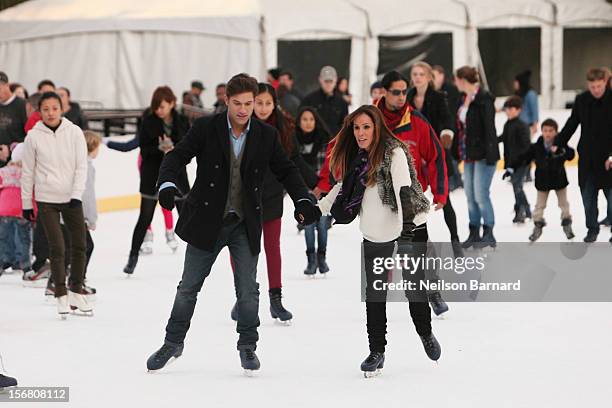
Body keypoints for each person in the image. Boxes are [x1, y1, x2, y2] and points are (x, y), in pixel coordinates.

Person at [145, 73, 319, 374]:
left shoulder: (266, 135)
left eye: (248, 103)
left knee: (248, 291)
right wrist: (166, 185)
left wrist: (303, 198)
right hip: (207, 222)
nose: (243, 109)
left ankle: (247, 345)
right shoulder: (206, 128)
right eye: (237, 103)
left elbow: (287, 170)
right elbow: (177, 157)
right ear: (226, 101)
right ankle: (173, 342)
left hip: (244, 222)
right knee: (188, 287)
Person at [316, 105, 441, 376]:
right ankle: (377, 351)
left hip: (409, 225)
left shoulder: (393, 153)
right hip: (375, 231)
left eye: (366, 127)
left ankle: (425, 332)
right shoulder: (356, 158)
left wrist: (406, 232)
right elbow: (341, 188)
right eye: (357, 128)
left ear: (377, 128)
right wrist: (316, 209)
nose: (361, 133)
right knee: (375, 294)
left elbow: (404, 191)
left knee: (414, 288)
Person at [229, 83, 317, 324]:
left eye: (268, 103)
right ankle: (243, 296)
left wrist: (314, 181)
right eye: (259, 103)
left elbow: (294, 160)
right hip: (243, 198)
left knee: (272, 247)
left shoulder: (285, 127)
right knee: (241, 248)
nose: (264, 108)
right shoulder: (239, 127)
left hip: (270, 196)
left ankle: (275, 300)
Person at [375, 70, 449, 316]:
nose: (400, 96)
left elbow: (435, 155)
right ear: (384, 92)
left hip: (412, 199)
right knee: (382, 249)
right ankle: (379, 298)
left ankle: (433, 292)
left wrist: (440, 192)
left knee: (421, 249)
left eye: (404, 91)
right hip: (381, 198)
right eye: (395, 92)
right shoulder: (370, 121)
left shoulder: (416, 121)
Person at [21, 92, 93, 318]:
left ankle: (76, 290)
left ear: (61, 109)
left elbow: (82, 166)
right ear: (39, 112)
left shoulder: (73, 133)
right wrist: (26, 203)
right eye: (45, 109)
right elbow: (27, 172)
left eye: (54, 108)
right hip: (46, 199)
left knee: (80, 245)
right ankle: (60, 295)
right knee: (58, 248)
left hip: (72, 198)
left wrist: (76, 194)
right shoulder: (33, 137)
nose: (50, 113)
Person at [122, 86, 190, 275]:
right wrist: (159, 148)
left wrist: (174, 148)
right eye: (156, 107)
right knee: (145, 218)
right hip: (153, 175)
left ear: (172, 103)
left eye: (162, 106)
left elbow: (190, 147)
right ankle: (133, 256)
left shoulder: (182, 121)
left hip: (177, 175)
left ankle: (199, 256)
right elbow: (143, 149)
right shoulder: (148, 121)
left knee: (187, 216)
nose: (159, 111)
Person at [407, 61, 462, 257]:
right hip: (414, 158)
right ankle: (424, 243)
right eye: (415, 74)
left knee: (445, 200)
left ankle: (455, 241)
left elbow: (448, 120)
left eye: (422, 74)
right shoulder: (407, 99)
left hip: (437, 154)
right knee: (416, 203)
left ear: (429, 77)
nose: (418, 77)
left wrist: (446, 135)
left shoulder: (438, 97)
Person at [555, 67, 612, 243]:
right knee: (588, 198)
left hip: (609, 160)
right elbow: (572, 124)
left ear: (605, 82)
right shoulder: (582, 100)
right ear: (588, 85)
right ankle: (592, 229)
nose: (596, 90)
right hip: (587, 159)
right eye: (593, 87)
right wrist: (558, 143)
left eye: (599, 86)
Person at [104, 127, 177, 255]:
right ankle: (149, 237)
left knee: (165, 201)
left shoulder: (169, 131)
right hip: (147, 173)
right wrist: (107, 142)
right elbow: (127, 146)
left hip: (163, 170)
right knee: (147, 209)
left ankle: (170, 234)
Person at [454, 66, 500, 249]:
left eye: (456, 80)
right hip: (469, 154)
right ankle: (474, 231)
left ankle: (488, 232)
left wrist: (490, 155)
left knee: (481, 194)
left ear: (463, 80)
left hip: (483, 155)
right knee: (470, 195)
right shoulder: (464, 98)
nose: (455, 83)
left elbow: (490, 128)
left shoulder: (484, 98)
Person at [294, 107, 332, 275]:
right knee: (308, 224)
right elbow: (293, 168)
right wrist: (306, 188)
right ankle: (311, 260)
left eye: (311, 119)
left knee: (323, 225)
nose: (308, 123)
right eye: (304, 119)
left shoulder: (324, 140)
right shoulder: (294, 141)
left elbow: (329, 166)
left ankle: (322, 258)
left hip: (323, 189)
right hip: (304, 190)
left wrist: (321, 187)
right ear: (299, 122)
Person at [523, 119, 575, 241]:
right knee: (539, 206)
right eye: (545, 130)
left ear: (556, 132)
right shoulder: (537, 147)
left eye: (551, 131)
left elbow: (571, 155)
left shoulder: (561, 145)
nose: (548, 133)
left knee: (563, 204)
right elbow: (525, 157)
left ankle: (567, 224)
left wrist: (563, 151)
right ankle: (538, 225)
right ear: (541, 132)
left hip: (559, 180)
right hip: (543, 181)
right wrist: (513, 166)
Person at [0, 143, 34, 278]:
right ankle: (25, 266)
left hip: (4, 210)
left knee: (3, 238)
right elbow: (33, 194)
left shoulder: (3, 171)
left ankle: (2, 262)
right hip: (22, 210)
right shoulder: (29, 174)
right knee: (24, 238)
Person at [498, 95, 532, 223]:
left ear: (518, 110)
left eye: (511, 108)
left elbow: (526, 146)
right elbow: (503, 138)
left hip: (521, 162)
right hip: (511, 162)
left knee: (517, 186)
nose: (508, 111)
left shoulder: (522, 126)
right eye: (507, 109)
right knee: (516, 186)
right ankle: (525, 209)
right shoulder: (508, 124)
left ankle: (521, 211)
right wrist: (491, 141)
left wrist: (520, 160)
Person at [433, 64, 463, 190]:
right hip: (439, 128)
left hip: (452, 127)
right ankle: (454, 179)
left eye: (434, 75)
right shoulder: (433, 91)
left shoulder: (451, 90)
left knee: (451, 154)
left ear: (442, 75)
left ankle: (455, 180)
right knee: (445, 155)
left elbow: (454, 108)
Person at [300, 66, 348, 136]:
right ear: (320, 80)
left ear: (335, 81)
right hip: (314, 142)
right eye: (326, 81)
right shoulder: (309, 100)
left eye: (331, 81)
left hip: (334, 143)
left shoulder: (342, 103)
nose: (328, 84)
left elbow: (345, 126)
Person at [82, 130, 102, 295]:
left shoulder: (82, 164)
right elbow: (87, 194)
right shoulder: (87, 167)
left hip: (72, 213)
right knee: (86, 247)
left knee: (78, 248)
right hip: (79, 214)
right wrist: (91, 218)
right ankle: (78, 280)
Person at [0, 71, 28, 149]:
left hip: (16, 156)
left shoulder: (23, 105)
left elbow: (30, 134)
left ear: (7, 85)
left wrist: (11, 148)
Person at [514, 70, 539, 136]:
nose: (514, 84)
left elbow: (534, 110)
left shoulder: (531, 94)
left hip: (528, 126)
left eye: (516, 82)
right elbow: (511, 105)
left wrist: (535, 124)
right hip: (518, 125)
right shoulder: (519, 94)